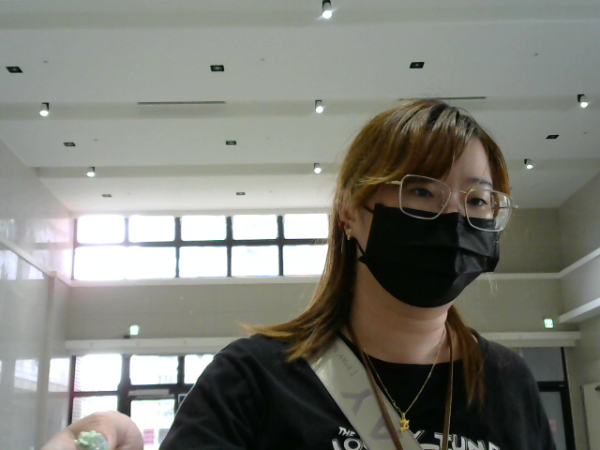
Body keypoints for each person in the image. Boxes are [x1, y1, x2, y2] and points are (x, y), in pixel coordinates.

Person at [43, 100, 556, 450]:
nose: (453, 217)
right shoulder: (253, 379)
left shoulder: (507, 380)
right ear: (350, 211)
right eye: (421, 191)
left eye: (478, 200)